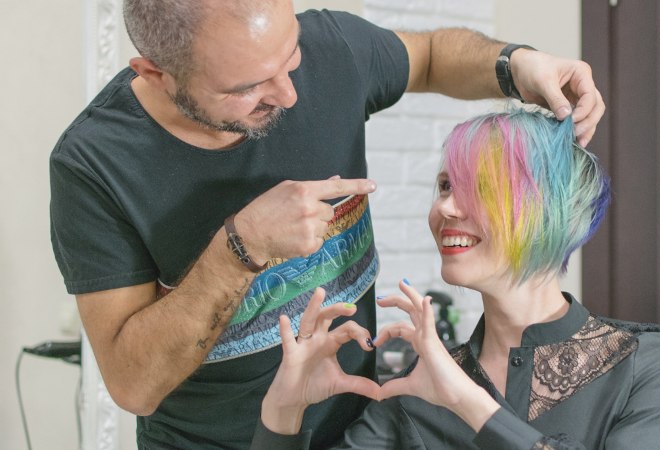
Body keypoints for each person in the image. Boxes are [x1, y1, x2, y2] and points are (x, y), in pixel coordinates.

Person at [49, 0, 605, 448]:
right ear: (156, 72)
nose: (289, 95)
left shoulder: (329, 50)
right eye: (247, 88)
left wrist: (516, 65)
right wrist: (240, 248)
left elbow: (432, 56)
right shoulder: (95, 163)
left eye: (288, 58)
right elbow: (133, 385)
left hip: (359, 427)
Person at [252, 109, 660, 449]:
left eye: (481, 187)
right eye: (445, 185)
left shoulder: (643, 362)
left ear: (547, 211)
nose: (445, 207)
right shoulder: (420, 387)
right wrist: (284, 408)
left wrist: (466, 401)